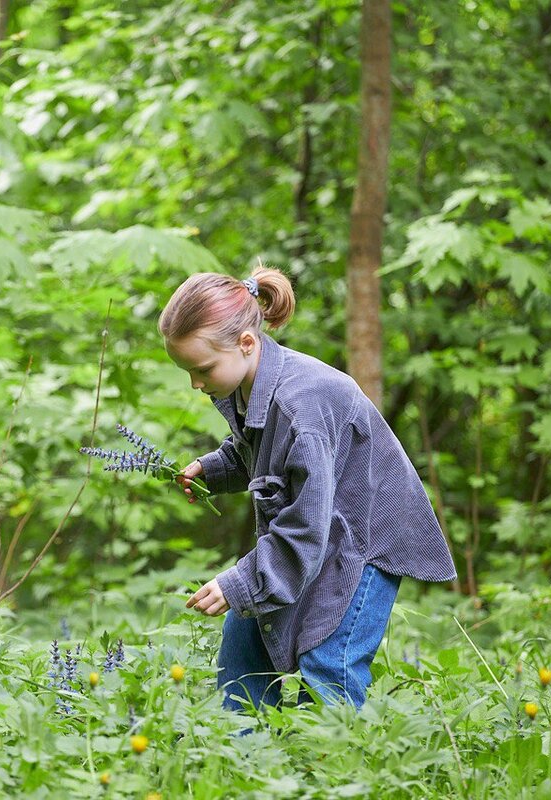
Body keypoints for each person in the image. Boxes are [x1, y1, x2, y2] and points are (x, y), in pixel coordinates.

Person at [159, 265, 456, 713]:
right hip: (318, 528)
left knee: (328, 664)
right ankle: (244, 767)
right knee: (246, 647)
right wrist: (215, 468)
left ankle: (336, 773)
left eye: (201, 369)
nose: (196, 384)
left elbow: (304, 528)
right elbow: (268, 458)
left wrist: (241, 581)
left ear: (245, 343)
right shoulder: (250, 383)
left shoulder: (303, 405)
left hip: (362, 541)